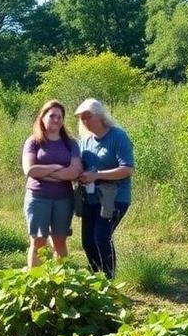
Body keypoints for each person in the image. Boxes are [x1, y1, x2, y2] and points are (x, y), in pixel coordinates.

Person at [75, 98, 134, 278]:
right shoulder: (85, 141)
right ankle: (96, 279)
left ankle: (109, 280)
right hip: (91, 198)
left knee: (101, 237)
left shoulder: (118, 136)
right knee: (87, 242)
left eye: (87, 116)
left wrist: (97, 175)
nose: (84, 120)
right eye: (81, 117)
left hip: (114, 197)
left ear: (100, 115)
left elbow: (127, 169)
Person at [22, 100, 82, 267]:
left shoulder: (71, 144)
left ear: (63, 120)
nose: (56, 119)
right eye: (52, 116)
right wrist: (57, 169)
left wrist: (45, 172)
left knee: (60, 242)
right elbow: (30, 171)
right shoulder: (33, 142)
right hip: (38, 198)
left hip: (63, 199)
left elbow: (74, 172)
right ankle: (35, 282)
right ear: (42, 118)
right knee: (38, 242)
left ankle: (60, 283)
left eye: (59, 116)